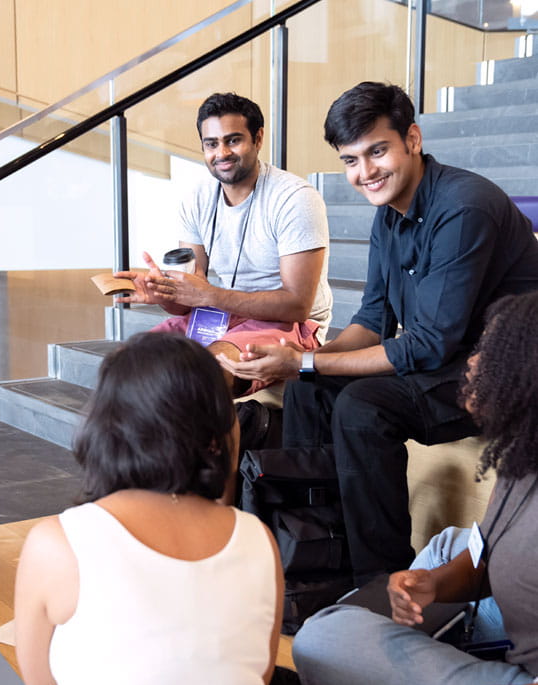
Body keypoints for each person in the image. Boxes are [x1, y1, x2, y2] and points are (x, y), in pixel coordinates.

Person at [217, 81, 538, 583]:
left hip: (504, 373)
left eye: (377, 151)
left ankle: (379, 582)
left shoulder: (463, 207)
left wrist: (305, 360)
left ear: (412, 138)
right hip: (449, 360)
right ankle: (314, 548)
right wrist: (297, 358)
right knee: (307, 393)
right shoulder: (388, 215)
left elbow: (429, 343)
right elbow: (372, 320)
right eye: (350, 161)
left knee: (363, 409)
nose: (365, 173)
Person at [291, 290, 538, 685]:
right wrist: (434, 584)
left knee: (322, 639)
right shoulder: (523, 456)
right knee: (447, 547)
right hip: (517, 631)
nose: (472, 364)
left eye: (489, 352)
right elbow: (484, 555)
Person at [14, 332, 284, 685]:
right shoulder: (259, 539)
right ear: (221, 428)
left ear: (105, 424)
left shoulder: (58, 541)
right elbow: (253, 683)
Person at [114, 92, 332, 394]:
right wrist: (162, 293)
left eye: (233, 140)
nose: (222, 153)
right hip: (220, 315)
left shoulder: (294, 198)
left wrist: (211, 295)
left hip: (288, 324)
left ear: (258, 139)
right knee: (126, 367)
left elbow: (296, 305)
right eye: (211, 144)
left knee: (199, 378)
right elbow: (189, 297)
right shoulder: (198, 198)